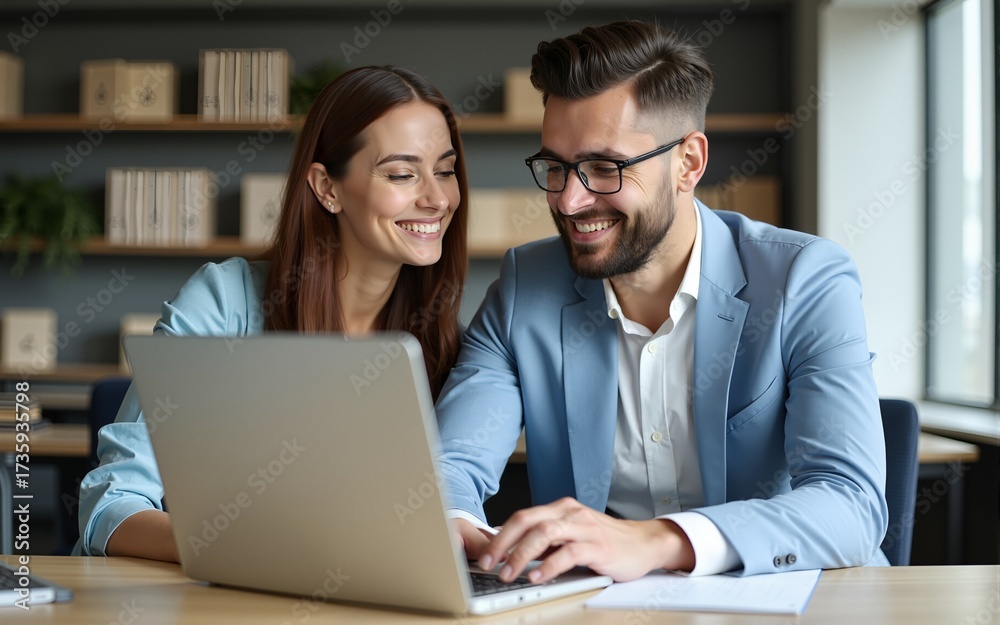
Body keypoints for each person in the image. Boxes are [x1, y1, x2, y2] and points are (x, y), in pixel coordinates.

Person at [436, 20, 888, 583]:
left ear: (689, 164)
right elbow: (450, 465)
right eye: (555, 166)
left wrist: (658, 540)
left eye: (606, 167)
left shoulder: (805, 280)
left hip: (798, 598)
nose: (571, 201)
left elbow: (851, 505)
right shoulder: (525, 287)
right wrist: (454, 525)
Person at [78, 65, 469, 561]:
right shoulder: (224, 303)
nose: (437, 198)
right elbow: (110, 507)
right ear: (327, 187)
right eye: (401, 174)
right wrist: (257, 551)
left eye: (445, 169)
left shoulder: (441, 337)